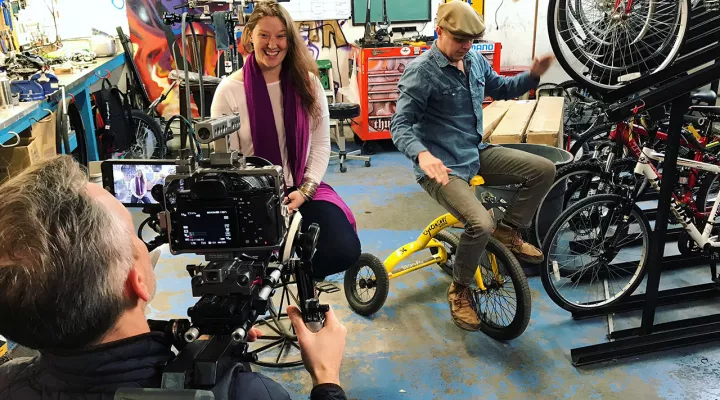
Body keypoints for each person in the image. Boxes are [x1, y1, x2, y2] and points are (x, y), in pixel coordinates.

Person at [0, 156, 348, 400]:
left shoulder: (7, 383)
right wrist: (326, 380)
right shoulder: (248, 394)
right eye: (134, 238)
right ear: (136, 280)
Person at [390, 0, 556, 332]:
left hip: (475, 151)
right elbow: (400, 125)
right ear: (439, 31)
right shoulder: (422, 71)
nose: (466, 46)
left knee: (543, 170)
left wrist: (533, 75)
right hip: (441, 168)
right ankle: (460, 290)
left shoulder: (474, 59)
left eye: (471, 40)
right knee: (480, 223)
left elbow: (503, 88)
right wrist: (423, 155)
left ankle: (509, 232)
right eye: (459, 39)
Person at [210, 0, 361, 280]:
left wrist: (305, 190)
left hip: (302, 188)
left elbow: (319, 143)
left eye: (280, 36)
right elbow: (227, 162)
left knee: (343, 249)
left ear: (289, 40)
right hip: (252, 197)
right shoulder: (229, 91)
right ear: (250, 37)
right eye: (264, 35)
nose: (272, 44)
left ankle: (303, 283)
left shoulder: (308, 83)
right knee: (247, 274)